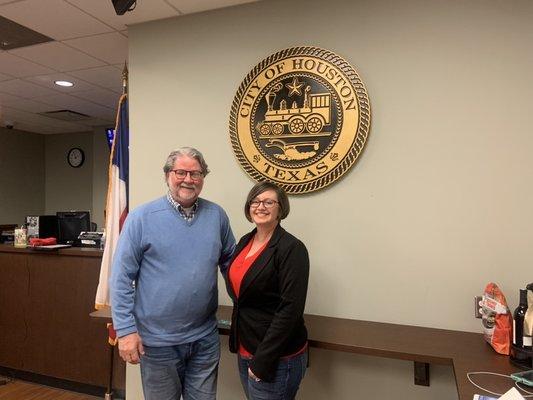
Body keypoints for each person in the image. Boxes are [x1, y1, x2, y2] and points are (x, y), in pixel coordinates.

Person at [110, 147, 235, 400]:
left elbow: (232, 264)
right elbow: (121, 278)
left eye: (196, 173)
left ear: (203, 178)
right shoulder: (141, 218)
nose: (188, 179)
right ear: (168, 175)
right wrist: (125, 331)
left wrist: (251, 306)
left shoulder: (217, 215)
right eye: (181, 172)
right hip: (157, 343)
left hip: (204, 339)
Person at [224, 181, 310, 400]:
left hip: (275, 357)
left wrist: (263, 360)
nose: (260, 206)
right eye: (256, 201)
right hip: (246, 347)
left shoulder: (291, 248)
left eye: (269, 202)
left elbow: (290, 310)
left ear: (281, 208)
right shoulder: (245, 241)